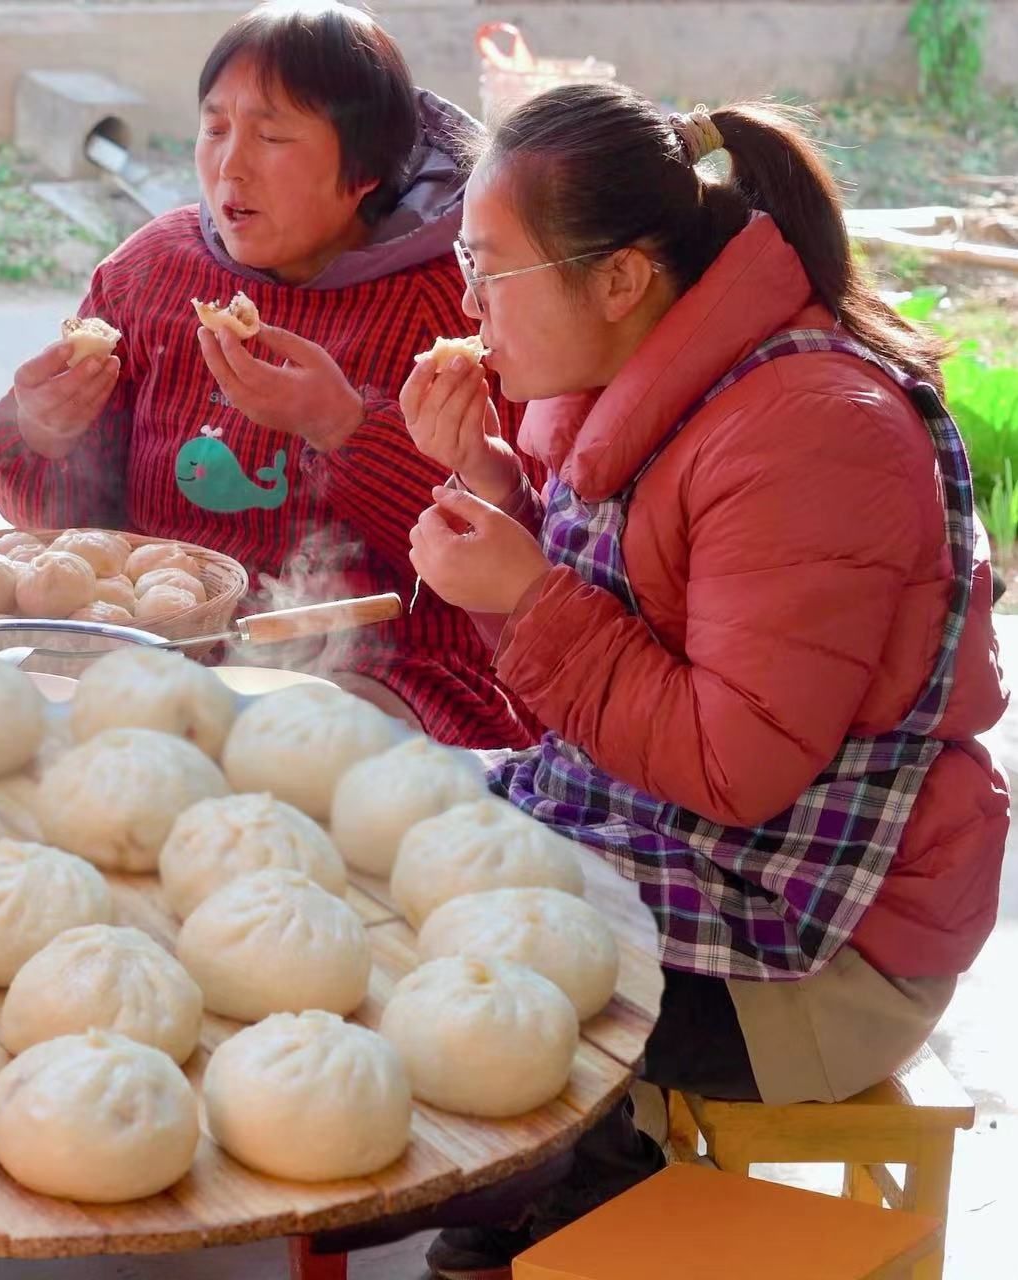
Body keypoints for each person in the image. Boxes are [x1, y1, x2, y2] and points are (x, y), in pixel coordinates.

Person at [397, 82, 1008, 1275]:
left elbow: (735, 763)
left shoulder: (810, 429)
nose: (465, 306)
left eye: (488, 269)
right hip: (692, 849)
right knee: (389, 830)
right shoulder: (636, 379)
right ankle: (562, 1171)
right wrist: (490, 488)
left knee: (441, 938)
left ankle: (576, 1182)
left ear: (620, 279)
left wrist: (526, 595)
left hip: (819, 950)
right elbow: (600, 691)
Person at [0, 0, 530, 747]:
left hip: (383, 668)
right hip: (158, 644)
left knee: (294, 743)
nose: (229, 164)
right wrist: (41, 433)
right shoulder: (148, 273)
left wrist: (341, 428)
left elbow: (504, 536)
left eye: (271, 135)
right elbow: (68, 534)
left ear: (364, 170)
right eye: (213, 128)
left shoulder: (456, 302)